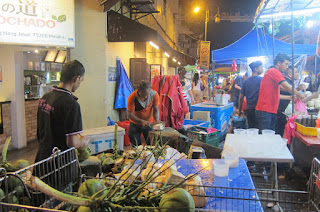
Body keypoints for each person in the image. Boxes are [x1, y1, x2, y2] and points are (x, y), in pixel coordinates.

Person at [35, 60, 88, 162]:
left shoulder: (45, 97)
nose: (79, 85)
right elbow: (72, 143)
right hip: (60, 164)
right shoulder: (71, 104)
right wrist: (83, 143)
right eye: (81, 81)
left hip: (42, 158)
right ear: (76, 78)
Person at [255, 53, 303, 132]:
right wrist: (300, 95)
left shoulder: (271, 72)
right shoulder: (274, 71)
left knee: (269, 134)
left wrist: (292, 94)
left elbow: (280, 89)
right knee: (266, 136)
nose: (287, 67)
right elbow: (287, 86)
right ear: (279, 63)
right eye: (286, 64)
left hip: (269, 110)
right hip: (266, 110)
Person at [127, 81, 160, 146]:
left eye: (147, 95)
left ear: (150, 90)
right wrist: (141, 121)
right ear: (138, 91)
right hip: (135, 124)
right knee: (135, 146)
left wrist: (157, 120)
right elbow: (129, 114)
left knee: (151, 144)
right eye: (142, 95)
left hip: (148, 123)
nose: (145, 97)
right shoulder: (132, 97)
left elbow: (156, 109)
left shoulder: (154, 95)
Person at [238, 61, 264, 128]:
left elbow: (241, 97)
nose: (262, 69)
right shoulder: (262, 80)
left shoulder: (245, 82)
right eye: (261, 67)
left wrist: (240, 110)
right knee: (260, 129)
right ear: (256, 69)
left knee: (251, 128)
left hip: (249, 109)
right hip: (260, 109)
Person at [275, 67, 299, 136]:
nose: (298, 74)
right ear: (289, 74)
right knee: (279, 132)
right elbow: (280, 92)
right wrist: (298, 93)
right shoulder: (285, 82)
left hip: (280, 111)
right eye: (296, 72)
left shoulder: (289, 82)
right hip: (279, 111)